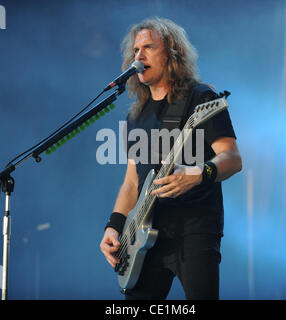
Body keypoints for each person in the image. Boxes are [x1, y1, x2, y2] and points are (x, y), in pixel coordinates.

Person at [99, 17, 242, 300]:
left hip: (194, 230)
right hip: (142, 237)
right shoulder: (135, 115)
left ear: (172, 53)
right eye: (135, 50)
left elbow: (233, 158)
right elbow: (131, 183)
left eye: (148, 47)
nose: (138, 55)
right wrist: (114, 226)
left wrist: (202, 173)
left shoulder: (200, 98)